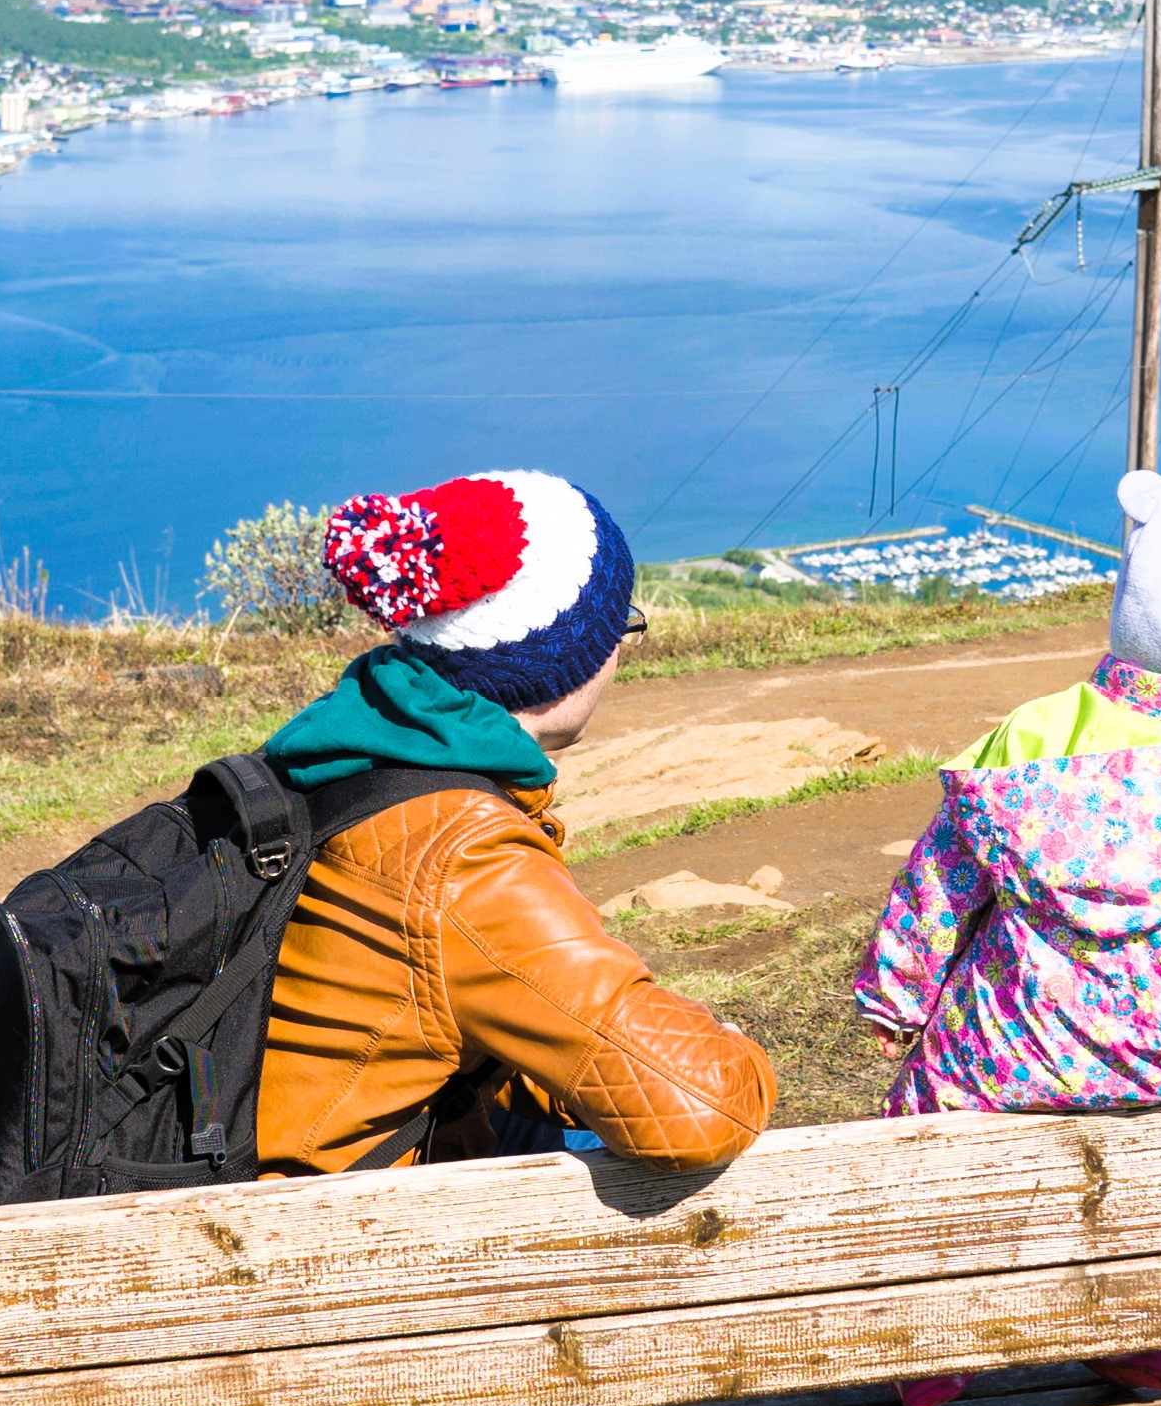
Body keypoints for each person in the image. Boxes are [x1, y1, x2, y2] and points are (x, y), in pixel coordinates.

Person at [851, 470, 1161, 1406]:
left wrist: (898, 994)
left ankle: (931, 1343)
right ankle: (1143, 1342)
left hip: (997, 1053)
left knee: (925, 1119)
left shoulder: (1033, 736)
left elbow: (938, 878)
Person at [252, 467, 775, 1178]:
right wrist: (733, 1049)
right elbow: (701, 1105)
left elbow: (440, 994)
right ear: (558, 665)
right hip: (334, 1241)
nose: (620, 650)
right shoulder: (463, 853)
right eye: (618, 628)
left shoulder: (345, 750)